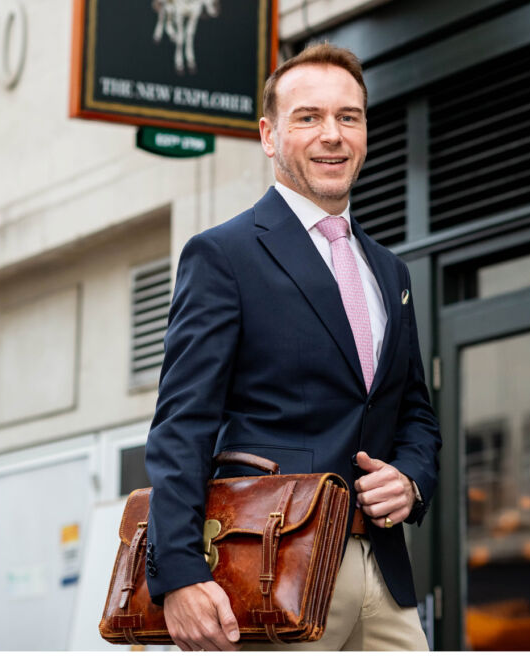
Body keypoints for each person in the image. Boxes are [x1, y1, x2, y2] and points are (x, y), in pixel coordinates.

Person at [144, 43, 442, 651]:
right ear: (269, 135)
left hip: (385, 578)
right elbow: (183, 423)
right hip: (273, 571)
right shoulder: (223, 255)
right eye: (308, 117)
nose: (332, 135)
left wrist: (411, 479)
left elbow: (414, 412)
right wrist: (178, 572)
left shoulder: (391, 272)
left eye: (348, 117)